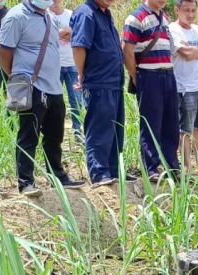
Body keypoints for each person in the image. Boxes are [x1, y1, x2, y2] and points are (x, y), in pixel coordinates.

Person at [0, 0, 85, 196]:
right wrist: (18, 77)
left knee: (55, 135)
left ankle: (58, 176)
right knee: (29, 134)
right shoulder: (16, 16)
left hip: (54, 86)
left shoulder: (49, 16)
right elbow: (3, 51)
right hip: (32, 85)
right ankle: (25, 182)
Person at [71, 0, 130, 187]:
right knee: (99, 129)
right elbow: (79, 47)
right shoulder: (85, 13)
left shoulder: (106, 14)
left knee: (115, 130)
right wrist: (82, 75)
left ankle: (113, 170)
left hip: (114, 82)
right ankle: (99, 173)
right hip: (98, 81)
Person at [122, 0, 180, 181]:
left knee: (171, 123)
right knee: (151, 123)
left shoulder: (164, 17)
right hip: (149, 75)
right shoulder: (136, 17)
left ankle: (172, 165)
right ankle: (151, 168)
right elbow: (127, 50)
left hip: (168, 74)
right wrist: (135, 76)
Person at [170, 0, 198, 172]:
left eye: (193, 10)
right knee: (185, 131)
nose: (190, 14)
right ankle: (187, 168)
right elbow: (186, 54)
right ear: (177, 10)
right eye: (186, 10)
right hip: (185, 88)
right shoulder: (172, 29)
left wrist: (196, 50)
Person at [49, 0, 82, 139]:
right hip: (54, 65)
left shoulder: (70, 14)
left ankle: (77, 132)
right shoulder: (45, 15)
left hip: (72, 64)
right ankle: (55, 131)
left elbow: (77, 37)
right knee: (54, 101)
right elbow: (48, 38)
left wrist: (59, 34)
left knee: (76, 100)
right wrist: (65, 31)